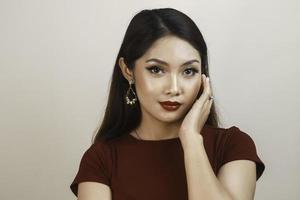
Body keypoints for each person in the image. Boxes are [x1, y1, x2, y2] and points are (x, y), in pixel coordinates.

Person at [70, 8, 265, 200]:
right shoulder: (101, 160)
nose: (174, 88)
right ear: (128, 70)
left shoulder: (232, 146)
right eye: (156, 69)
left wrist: (191, 139)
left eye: (188, 71)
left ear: (203, 76)